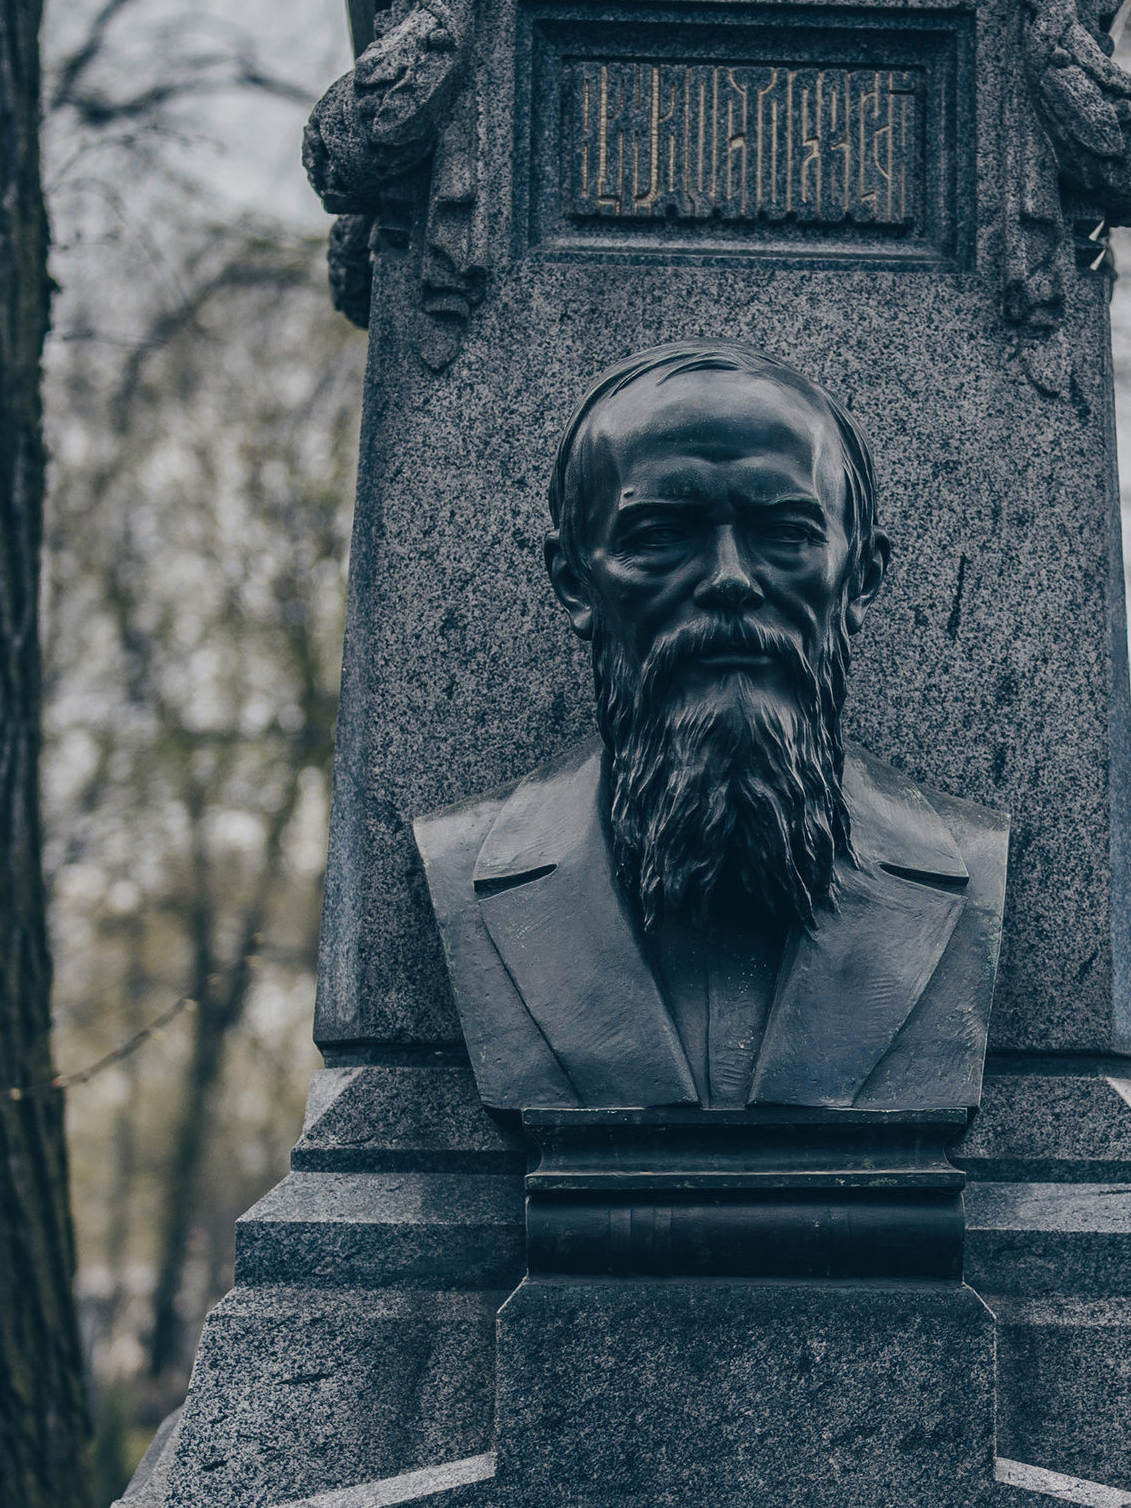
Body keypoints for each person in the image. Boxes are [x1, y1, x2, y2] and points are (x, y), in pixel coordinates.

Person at [415, 344, 1006, 1112]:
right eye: (662, 534)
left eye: (785, 531)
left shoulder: (972, 864)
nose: (729, 579)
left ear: (860, 578)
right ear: (575, 582)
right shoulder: (463, 863)